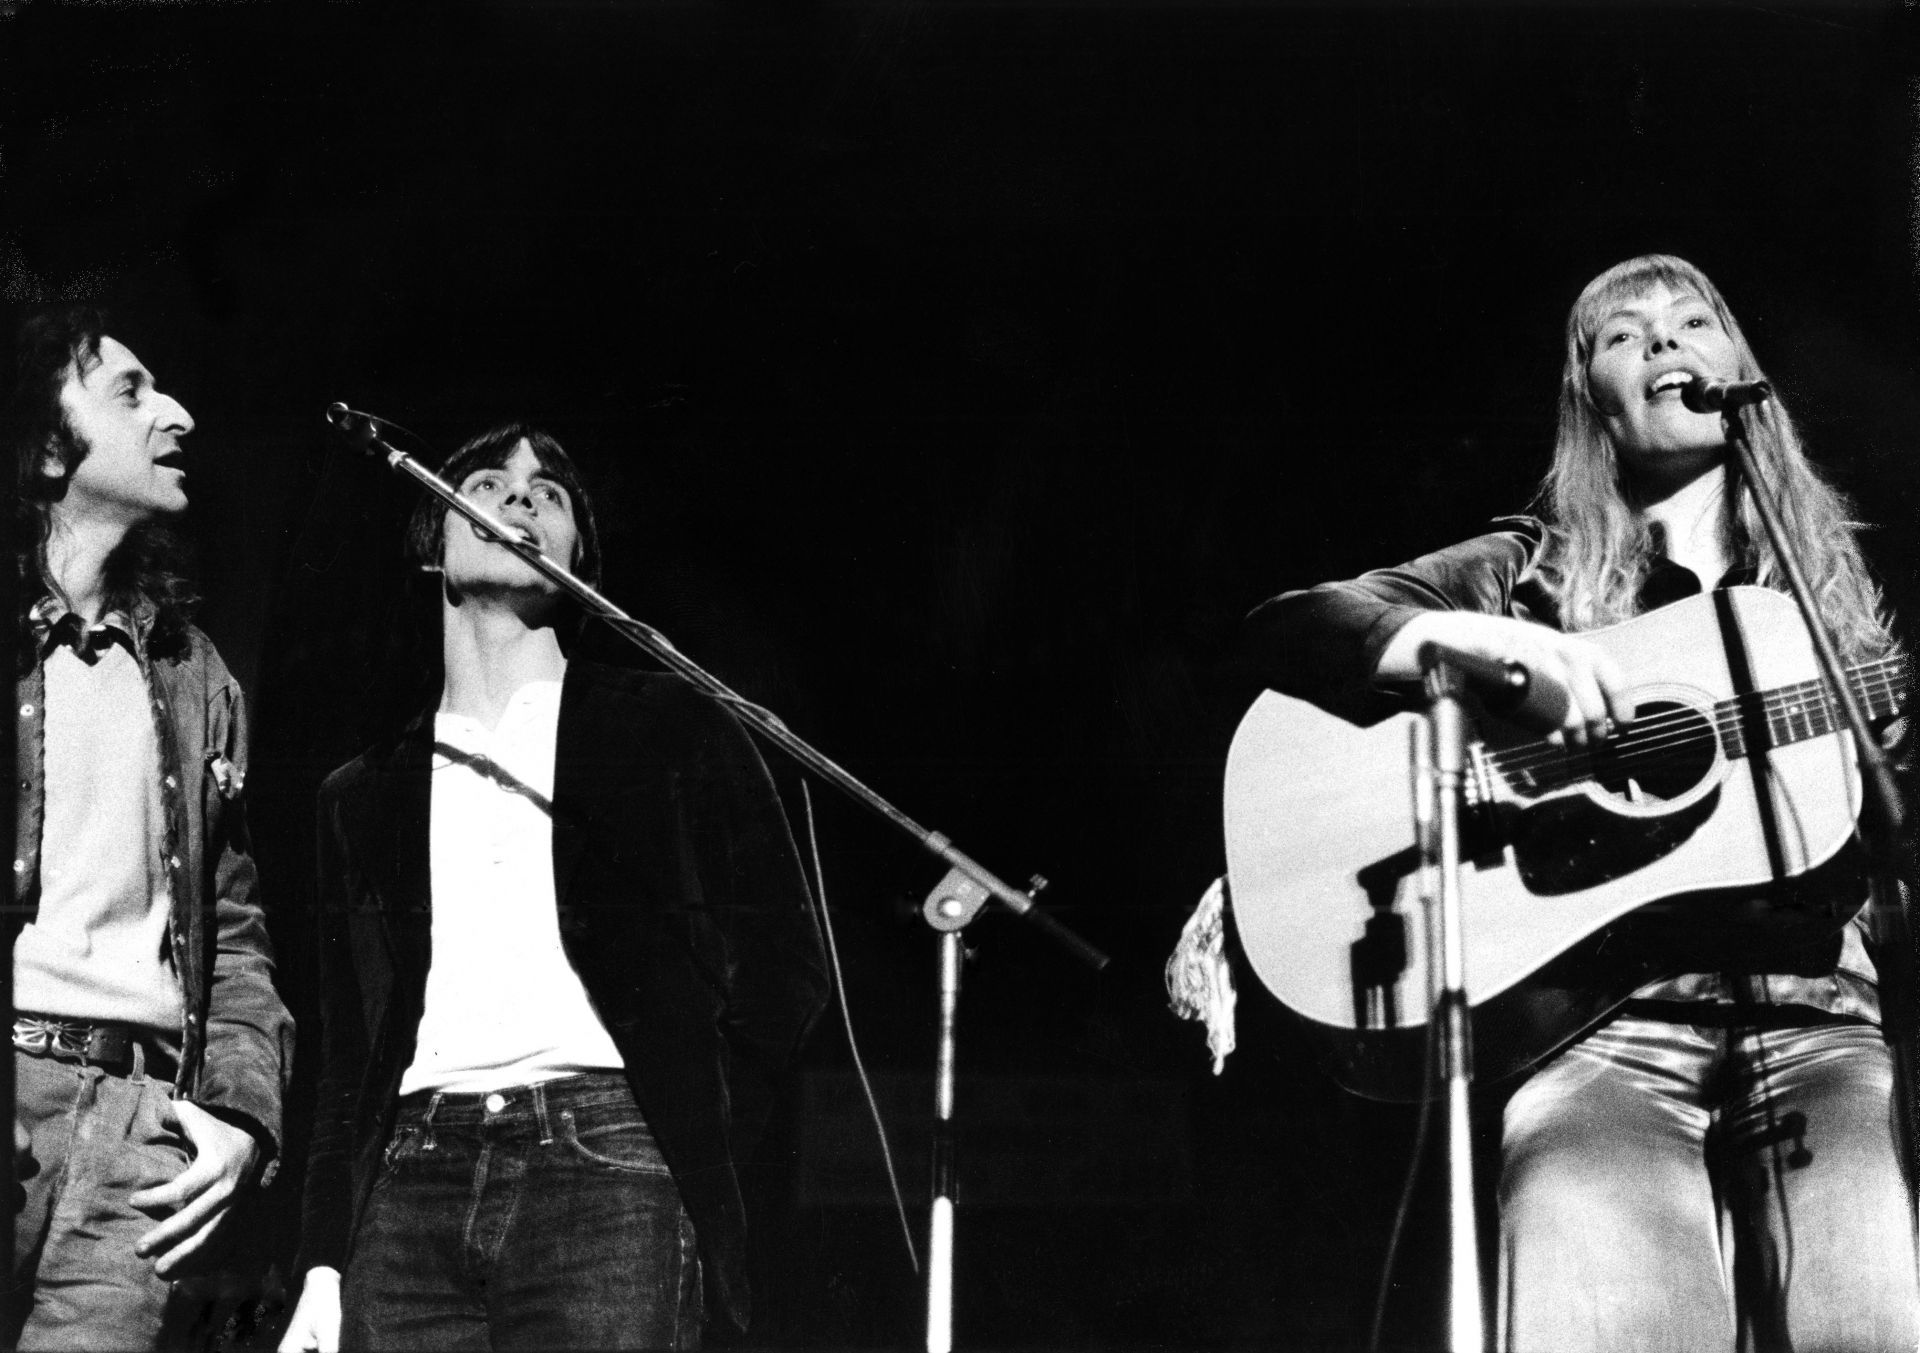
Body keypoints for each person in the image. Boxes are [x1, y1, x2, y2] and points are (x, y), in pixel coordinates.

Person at [1245, 255, 1920, 1350]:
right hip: (1600, 1037)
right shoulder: (1527, 572)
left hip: (1821, 1034)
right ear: (1588, 401)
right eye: (1623, 334)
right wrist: (1475, 645)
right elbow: (1295, 624)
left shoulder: (1838, 603)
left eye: (1695, 320)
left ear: (1741, 369)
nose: (1664, 341)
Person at [279, 423, 828, 1352]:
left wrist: (678, 1130)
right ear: (431, 543)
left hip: (608, 1167)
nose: (523, 498)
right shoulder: (361, 792)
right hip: (408, 1187)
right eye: (490, 481)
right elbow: (347, 1056)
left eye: (553, 493)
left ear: (581, 560)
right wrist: (324, 1261)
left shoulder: (672, 726)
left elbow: (785, 968)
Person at [1, 306, 293, 1347]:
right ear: (44, 449)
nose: (176, 414)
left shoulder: (190, 669)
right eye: (130, 392)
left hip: (139, 1136)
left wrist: (241, 1118)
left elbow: (235, 925)